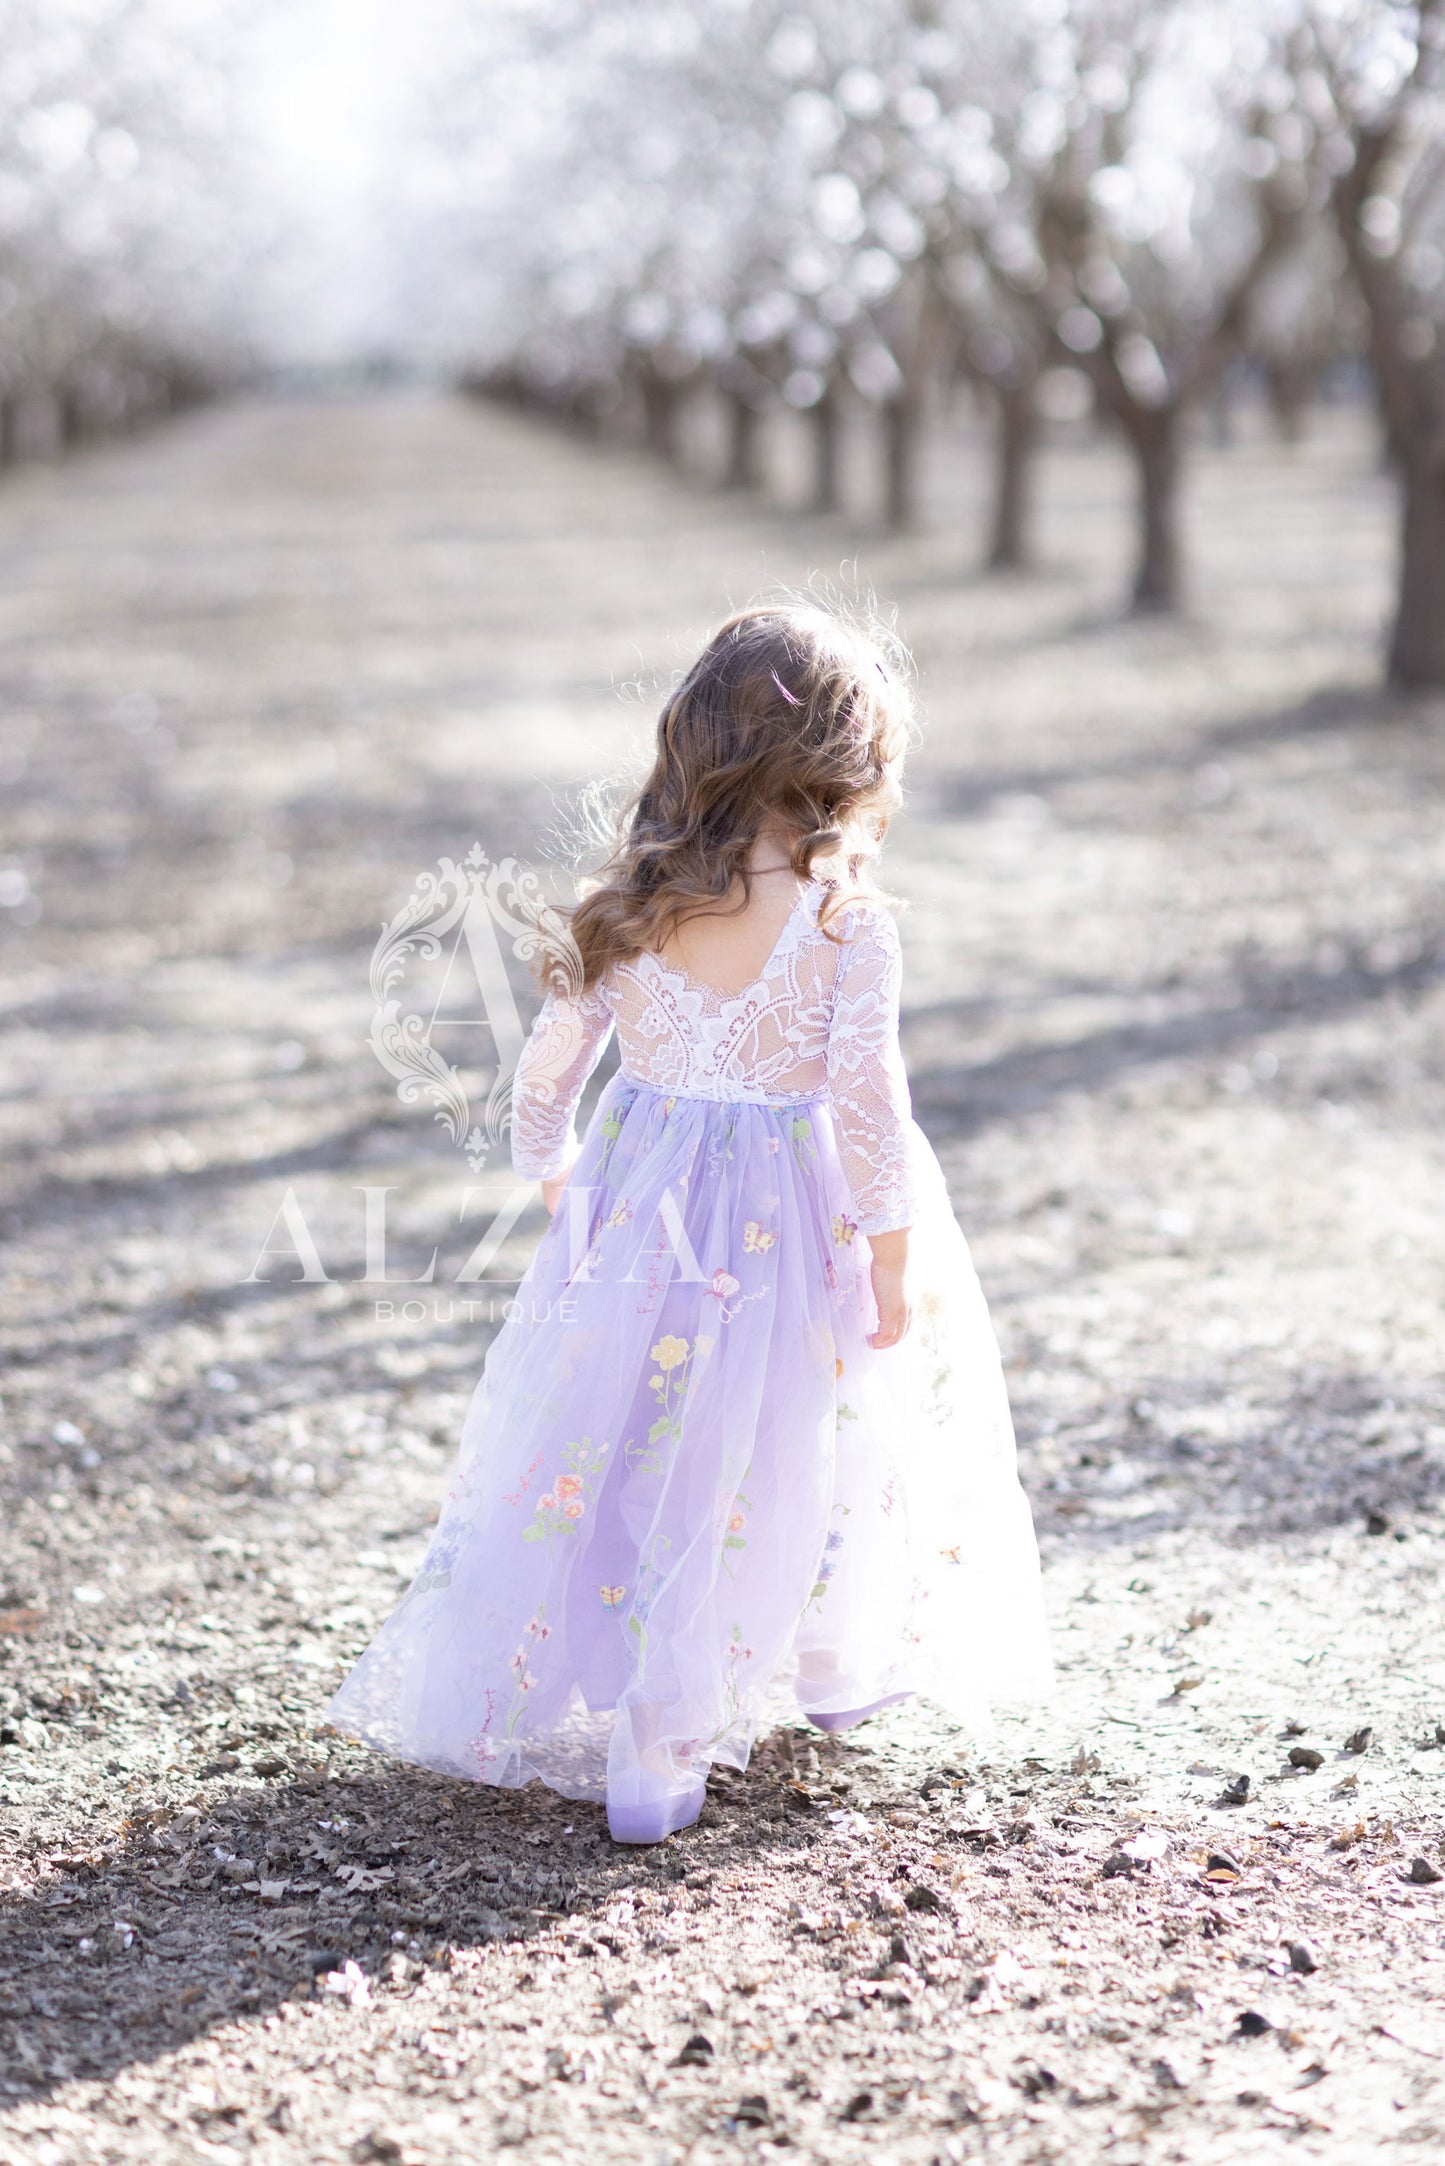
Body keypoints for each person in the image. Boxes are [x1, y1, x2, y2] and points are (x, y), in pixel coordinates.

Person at [328, 602, 1051, 1842]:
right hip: (795, 1219)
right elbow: (868, 1106)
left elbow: (547, 1077)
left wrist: (559, 1173)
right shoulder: (842, 926)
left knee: (628, 1431)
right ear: (843, 767)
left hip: (643, 1213)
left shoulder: (627, 904)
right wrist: (889, 1254)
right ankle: (795, 1669)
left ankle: (654, 1729)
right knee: (790, 1433)